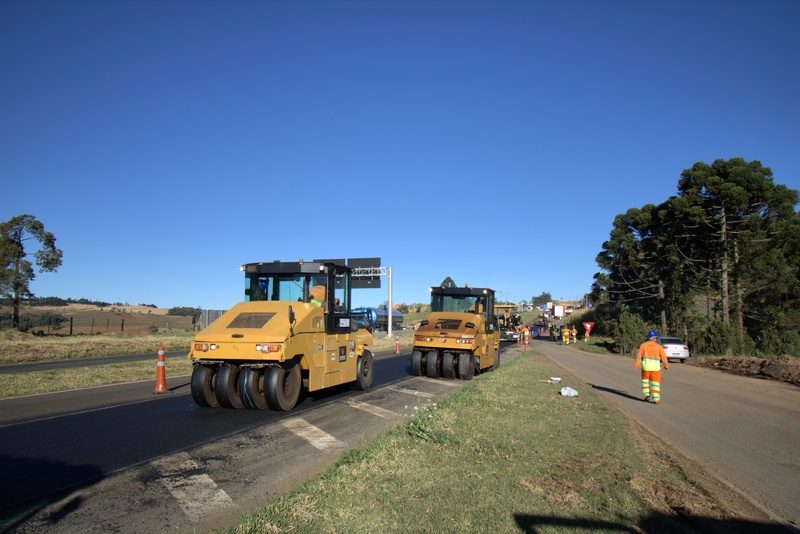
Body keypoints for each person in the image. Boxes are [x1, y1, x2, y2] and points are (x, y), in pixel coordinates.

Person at [634, 330, 670, 404]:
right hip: (656, 369)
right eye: (656, 338)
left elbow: (639, 356)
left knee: (645, 382)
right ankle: (656, 399)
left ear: (648, 338)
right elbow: (664, 357)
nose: (656, 339)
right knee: (655, 384)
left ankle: (646, 395)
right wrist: (666, 365)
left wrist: (637, 364)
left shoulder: (643, 345)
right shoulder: (659, 347)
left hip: (646, 367)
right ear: (654, 338)